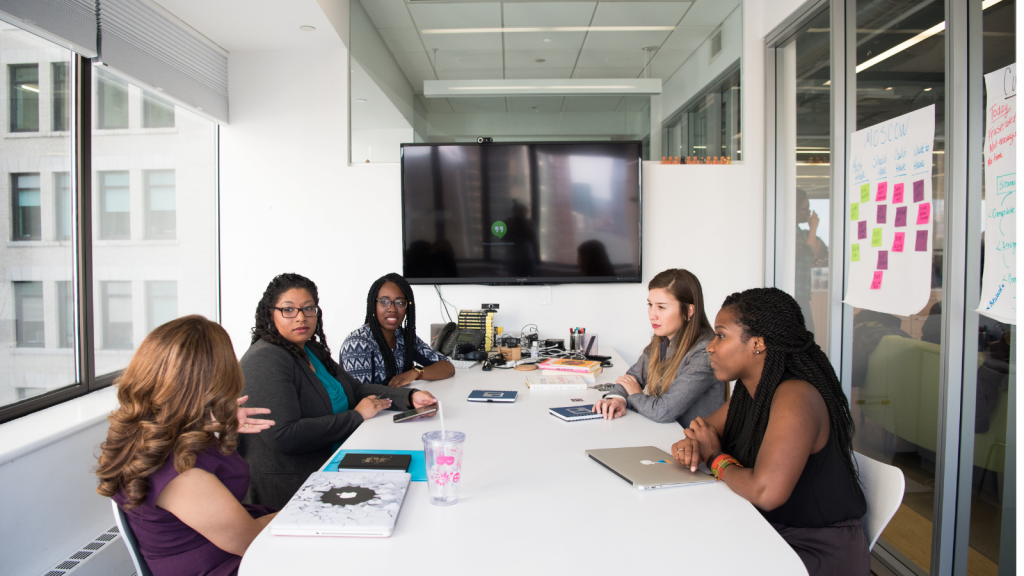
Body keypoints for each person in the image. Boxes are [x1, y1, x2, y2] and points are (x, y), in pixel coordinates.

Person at [672, 287, 868, 576]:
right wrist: (692, 446)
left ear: (758, 344)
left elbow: (765, 492)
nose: (710, 347)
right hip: (766, 529)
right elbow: (698, 432)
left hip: (812, 550)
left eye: (721, 335)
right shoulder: (752, 393)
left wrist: (714, 456)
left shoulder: (796, 397)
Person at [96, 315, 278, 576]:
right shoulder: (183, 475)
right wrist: (296, 512)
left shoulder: (144, 433)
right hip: (225, 564)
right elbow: (252, 544)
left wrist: (207, 421)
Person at [238, 273, 438, 509]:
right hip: (291, 489)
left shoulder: (309, 348)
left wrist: (409, 397)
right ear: (270, 313)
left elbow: (356, 389)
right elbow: (284, 435)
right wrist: (357, 416)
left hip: (333, 464)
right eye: (289, 309)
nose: (301, 317)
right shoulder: (265, 358)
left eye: (308, 308)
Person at [592, 269, 724, 426]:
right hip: (669, 436)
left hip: (693, 445)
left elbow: (663, 411)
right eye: (650, 305)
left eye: (661, 307)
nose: (651, 315)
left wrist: (634, 394)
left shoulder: (704, 352)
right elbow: (632, 377)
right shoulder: (662, 340)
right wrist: (616, 399)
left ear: (689, 311)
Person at [341, 273, 455, 386]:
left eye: (400, 303)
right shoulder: (357, 344)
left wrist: (415, 372)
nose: (392, 309)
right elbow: (362, 396)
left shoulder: (404, 337)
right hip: (390, 403)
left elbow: (447, 367)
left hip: (404, 402)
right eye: (384, 302)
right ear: (373, 305)